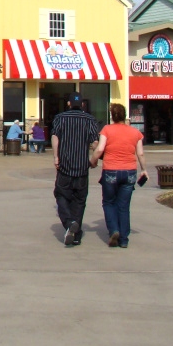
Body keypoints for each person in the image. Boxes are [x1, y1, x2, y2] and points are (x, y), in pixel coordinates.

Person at [90, 103, 148, 249]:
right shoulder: (135, 132)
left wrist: (92, 161)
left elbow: (100, 149)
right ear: (124, 116)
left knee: (109, 202)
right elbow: (140, 153)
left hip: (111, 171)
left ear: (112, 116)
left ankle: (114, 230)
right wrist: (144, 169)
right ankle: (124, 239)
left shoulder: (107, 130)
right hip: (129, 171)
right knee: (123, 206)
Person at [51, 92, 101, 247]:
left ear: (68, 104)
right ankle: (76, 233)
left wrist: (56, 157)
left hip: (65, 166)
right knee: (79, 201)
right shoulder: (90, 120)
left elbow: (55, 137)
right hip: (81, 167)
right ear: (83, 105)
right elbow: (94, 142)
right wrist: (94, 159)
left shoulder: (60, 118)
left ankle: (69, 222)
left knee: (61, 195)